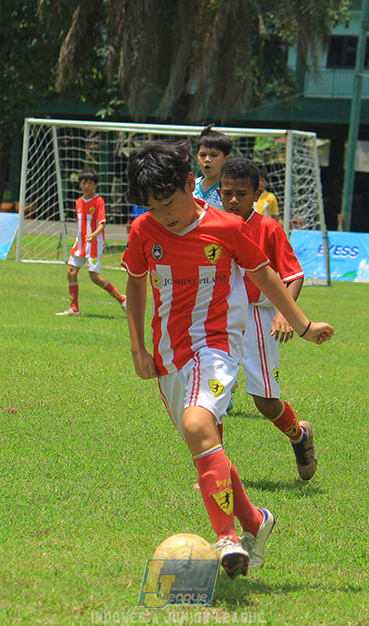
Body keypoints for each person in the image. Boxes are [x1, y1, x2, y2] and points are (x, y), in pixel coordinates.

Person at [122, 141, 333, 579]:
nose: (163, 215)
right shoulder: (144, 231)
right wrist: (138, 347)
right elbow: (137, 284)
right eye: (153, 207)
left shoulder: (226, 227)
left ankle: (226, 537)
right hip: (168, 358)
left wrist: (304, 324)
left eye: (168, 203)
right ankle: (257, 521)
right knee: (206, 445)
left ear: (188, 184)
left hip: (215, 346)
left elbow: (266, 274)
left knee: (199, 427)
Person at [219, 158, 316, 480]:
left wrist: (283, 313)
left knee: (266, 403)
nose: (233, 200)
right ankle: (214, 472)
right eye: (227, 192)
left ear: (257, 193)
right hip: (218, 318)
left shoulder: (268, 228)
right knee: (211, 395)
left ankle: (299, 436)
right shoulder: (212, 225)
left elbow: (294, 275)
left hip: (258, 318)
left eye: (241, 194)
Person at [56, 169, 127, 316]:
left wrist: (93, 235)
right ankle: (74, 309)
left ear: (96, 185)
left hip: (94, 243)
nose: (86, 186)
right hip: (80, 243)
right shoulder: (78, 202)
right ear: (80, 185)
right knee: (71, 272)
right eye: (83, 183)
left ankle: (121, 299)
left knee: (94, 277)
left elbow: (102, 223)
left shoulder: (99, 201)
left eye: (90, 183)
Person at [192, 124, 232, 210]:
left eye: (213, 155)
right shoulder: (189, 187)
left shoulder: (231, 191)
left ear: (226, 159)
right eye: (202, 155)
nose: (207, 159)